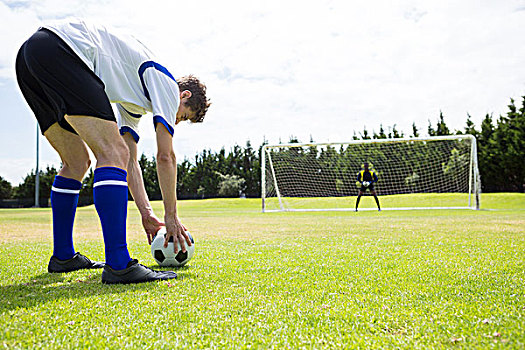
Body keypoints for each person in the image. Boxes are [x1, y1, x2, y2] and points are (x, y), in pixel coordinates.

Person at [15, 19, 210, 284]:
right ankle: (119, 264)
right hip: (64, 50)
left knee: (76, 162)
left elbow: (130, 161)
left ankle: (63, 256)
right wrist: (171, 216)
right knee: (111, 152)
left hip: (31, 56)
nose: (178, 121)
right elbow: (166, 157)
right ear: (184, 95)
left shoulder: (135, 99)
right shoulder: (165, 85)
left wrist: (147, 213)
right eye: (185, 116)